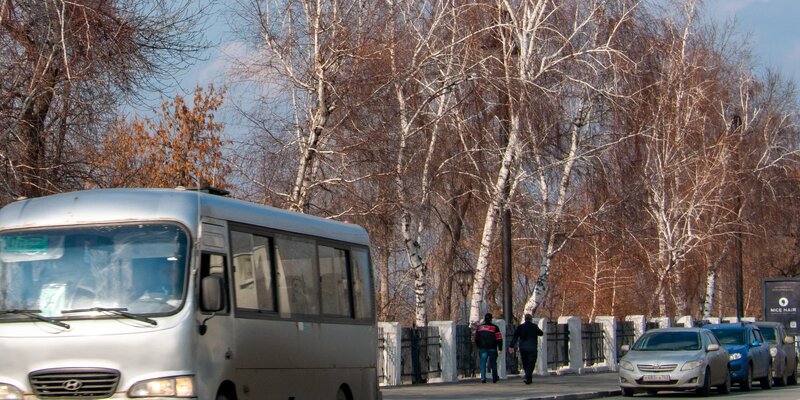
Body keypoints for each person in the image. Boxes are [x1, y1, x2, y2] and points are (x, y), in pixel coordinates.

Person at [509, 313, 544, 384]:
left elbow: (515, 337)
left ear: (525, 319)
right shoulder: (534, 326)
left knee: (525, 363)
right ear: (531, 319)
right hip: (532, 348)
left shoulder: (520, 327)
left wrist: (511, 346)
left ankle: (528, 378)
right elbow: (541, 333)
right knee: (531, 363)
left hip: (523, 348)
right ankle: (528, 375)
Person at [474, 312, 503, 383]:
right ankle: (495, 378)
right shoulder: (495, 328)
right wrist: (500, 348)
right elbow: (499, 338)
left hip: (483, 348)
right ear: (491, 319)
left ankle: (483, 378)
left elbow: (476, 338)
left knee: (483, 363)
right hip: (492, 348)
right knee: (493, 363)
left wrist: (479, 345)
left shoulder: (479, 327)